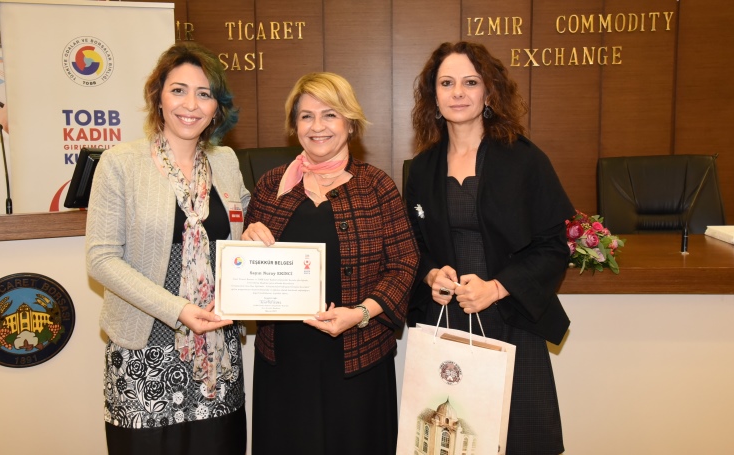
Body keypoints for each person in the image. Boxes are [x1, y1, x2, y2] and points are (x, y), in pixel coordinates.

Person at [405, 41, 575, 455]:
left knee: (521, 438)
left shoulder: (525, 160)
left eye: (470, 82)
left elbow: (554, 246)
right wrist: (430, 274)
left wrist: (496, 288)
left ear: (488, 92)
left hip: (512, 315)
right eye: (446, 83)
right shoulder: (421, 168)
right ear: (434, 96)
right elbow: (412, 244)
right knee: (451, 439)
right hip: (447, 319)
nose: (458, 93)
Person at [242, 72, 419, 455]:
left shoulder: (377, 186)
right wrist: (246, 245)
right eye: (306, 116)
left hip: (358, 359)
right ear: (294, 126)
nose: (317, 126)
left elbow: (404, 262)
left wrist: (360, 313)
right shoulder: (270, 186)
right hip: (284, 362)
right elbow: (245, 274)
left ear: (350, 123)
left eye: (330, 115)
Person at [86, 42, 249, 455]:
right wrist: (177, 309)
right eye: (178, 90)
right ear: (158, 97)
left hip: (216, 352)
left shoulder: (226, 162)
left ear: (216, 107)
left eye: (204, 93)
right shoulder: (121, 163)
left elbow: (240, 230)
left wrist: (256, 230)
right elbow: (101, 259)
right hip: (143, 349)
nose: (190, 105)